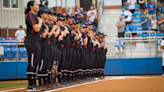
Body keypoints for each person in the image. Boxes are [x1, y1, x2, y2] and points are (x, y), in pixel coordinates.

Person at [25, 1, 43, 91]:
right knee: (32, 62)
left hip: (36, 40)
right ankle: (30, 84)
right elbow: (36, 28)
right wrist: (40, 22)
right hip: (32, 40)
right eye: (36, 4)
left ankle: (33, 84)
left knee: (35, 62)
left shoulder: (34, 16)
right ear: (31, 6)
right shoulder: (30, 15)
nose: (38, 6)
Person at [36, 9, 50, 90]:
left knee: (46, 64)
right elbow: (43, 36)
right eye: (45, 13)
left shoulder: (44, 24)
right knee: (42, 64)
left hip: (47, 45)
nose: (47, 15)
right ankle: (41, 82)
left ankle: (45, 82)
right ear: (41, 14)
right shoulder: (40, 23)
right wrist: (48, 29)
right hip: (42, 45)